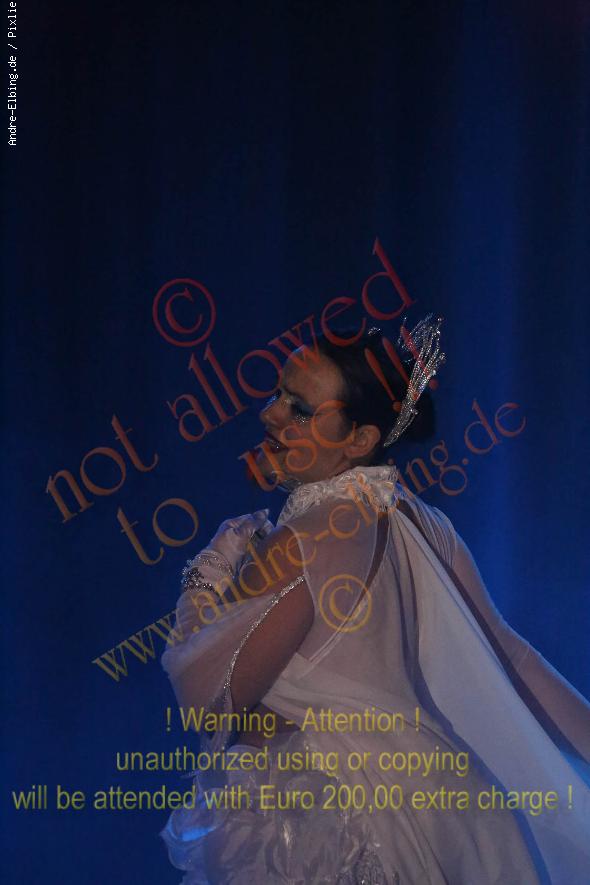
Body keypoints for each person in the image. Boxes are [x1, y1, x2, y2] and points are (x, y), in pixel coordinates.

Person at [160, 318, 590, 884]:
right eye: (278, 394)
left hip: (327, 828)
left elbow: (209, 701)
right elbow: (513, 659)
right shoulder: (426, 524)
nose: (270, 415)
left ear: (359, 440)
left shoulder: (300, 541)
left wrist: (206, 575)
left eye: (299, 409)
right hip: (439, 814)